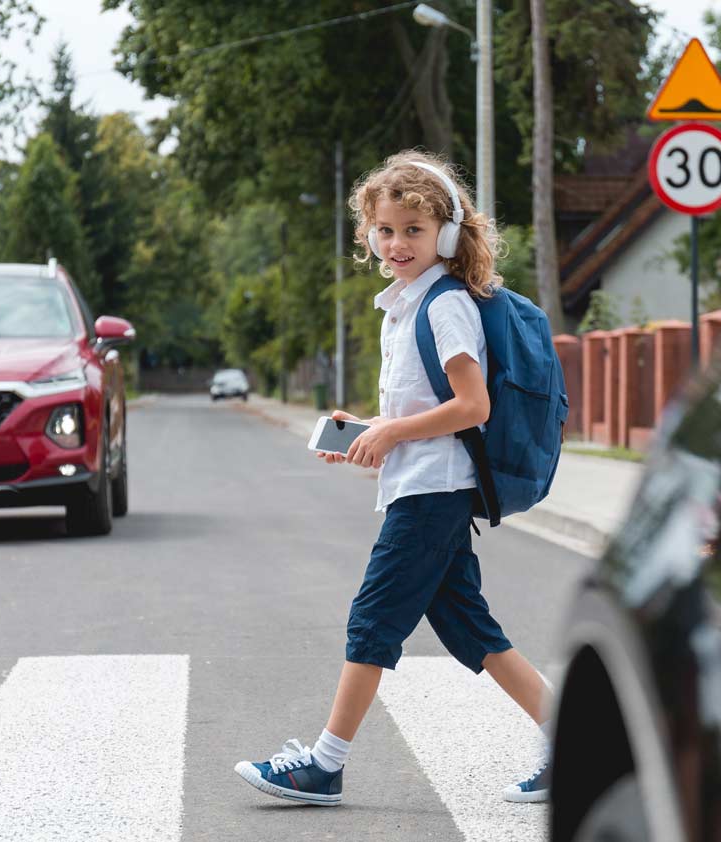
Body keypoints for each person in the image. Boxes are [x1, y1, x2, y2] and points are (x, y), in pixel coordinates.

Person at [233, 150, 553, 806]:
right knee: (471, 628)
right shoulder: (405, 306)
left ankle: (325, 763)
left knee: (371, 621)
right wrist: (371, 428)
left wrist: (392, 434)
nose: (397, 242)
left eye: (413, 229)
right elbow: (422, 403)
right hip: (423, 483)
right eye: (385, 229)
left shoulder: (443, 305)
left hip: (434, 492)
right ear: (367, 233)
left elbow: (473, 407)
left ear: (443, 232)